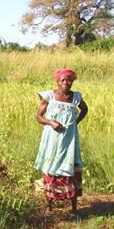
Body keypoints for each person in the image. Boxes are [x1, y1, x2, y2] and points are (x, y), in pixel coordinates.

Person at [34, 69, 88, 218]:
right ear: (57, 81)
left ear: (72, 82)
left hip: (70, 140)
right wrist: (50, 122)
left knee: (70, 167)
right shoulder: (49, 96)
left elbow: (85, 109)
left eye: (69, 80)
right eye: (62, 80)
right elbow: (38, 116)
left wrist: (75, 123)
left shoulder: (76, 96)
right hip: (52, 139)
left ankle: (74, 209)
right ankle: (48, 205)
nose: (66, 83)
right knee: (51, 168)